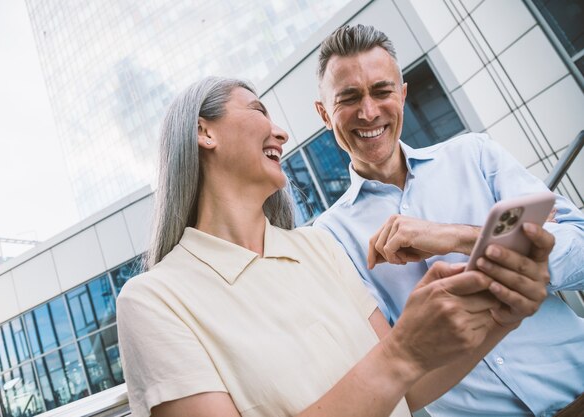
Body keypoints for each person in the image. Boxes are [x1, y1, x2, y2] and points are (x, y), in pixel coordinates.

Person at [116, 76, 554, 417]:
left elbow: (409, 389)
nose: (281, 133)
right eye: (258, 111)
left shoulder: (319, 248)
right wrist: (400, 353)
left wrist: (503, 313)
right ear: (203, 132)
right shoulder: (154, 301)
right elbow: (398, 365)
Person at [313, 24, 584, 417]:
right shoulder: (330, 238)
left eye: (382, 91)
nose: (369, 111)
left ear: (403, 94)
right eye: (349, 98)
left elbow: (578, 250)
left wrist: (455, 236)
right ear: (324, 114)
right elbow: (383, 359)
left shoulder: (474, 156)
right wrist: (516, 245)